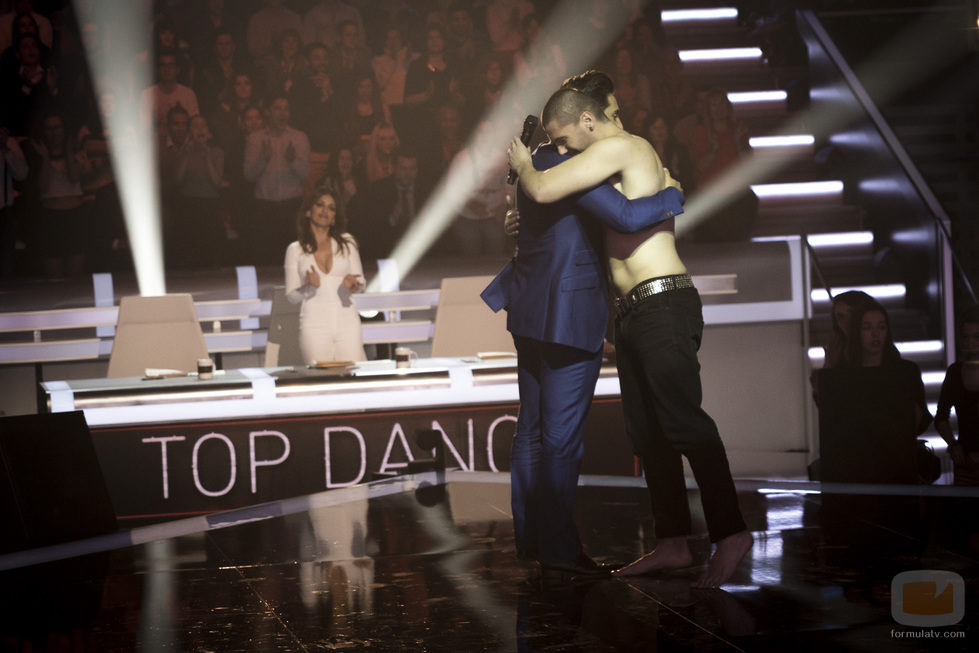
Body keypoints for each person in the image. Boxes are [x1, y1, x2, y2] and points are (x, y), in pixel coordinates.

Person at [507, 83, 752, 588]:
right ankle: (674, 543)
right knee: (649, 436)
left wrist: (526, 165)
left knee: (685, 425)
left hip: (662, 300)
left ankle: (731, 535)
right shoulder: (607, 159)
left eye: (561, 137)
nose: (559, 148)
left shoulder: (623, 146)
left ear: (589, 123)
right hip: (634, 309)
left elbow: (547, 187)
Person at [482, 85, 686, 583]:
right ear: (583, 120)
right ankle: (557, 548)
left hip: (528, 309)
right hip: (567, 314)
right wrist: (674, 194)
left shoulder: (535, 158)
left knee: (530, 431)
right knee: (560, 440)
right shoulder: (566, 165)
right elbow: (627, 216)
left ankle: (531, 539)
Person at [284, 189, 366, 365]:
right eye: (320, 205)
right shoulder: (295, 249)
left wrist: (354, 285)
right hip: (314, 325)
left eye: (331, 208)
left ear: (334, 217)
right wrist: (308, 286)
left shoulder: (347, 244)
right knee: (320, 381)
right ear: (308, 211)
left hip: (347, 322)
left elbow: (362, 283)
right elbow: (291, 296)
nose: (325, 210)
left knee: (351, 379)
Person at [243, 95, 310, 264]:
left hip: (291, 206)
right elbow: (248, 175)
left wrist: (292, 160)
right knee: (265, 260)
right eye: (277, 109)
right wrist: (264, 160)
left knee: (292, 262)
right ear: (268, 112)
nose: (283, 113)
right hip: (264, 207)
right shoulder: (255, 139)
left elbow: (304, 174)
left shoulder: (299, 137)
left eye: (286, 109)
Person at [935, 306, 979, 486]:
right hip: (965, 459)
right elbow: (940, 417)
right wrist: (954, 445)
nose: (970, 343)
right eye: (966, 337)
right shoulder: (955, 372)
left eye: (976, 337)